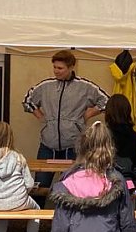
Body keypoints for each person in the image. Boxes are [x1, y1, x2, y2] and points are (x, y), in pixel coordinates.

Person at [22, 50, 109, 188]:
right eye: (55, 67)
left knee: (74, 187)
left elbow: (106, 101)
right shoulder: (45, 86)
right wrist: (43, 118)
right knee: (40, 186)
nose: (56, 71)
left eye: (60, 68)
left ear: (71, 67)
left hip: (74, 147)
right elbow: (27, 101)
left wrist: (86, 115)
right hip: (47, 146)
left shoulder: (85, 87)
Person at [104, 93, 136, 188]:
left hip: (107, 182)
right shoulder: (134, 136)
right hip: (128, 183)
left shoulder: (104, 135)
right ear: (128, 111)